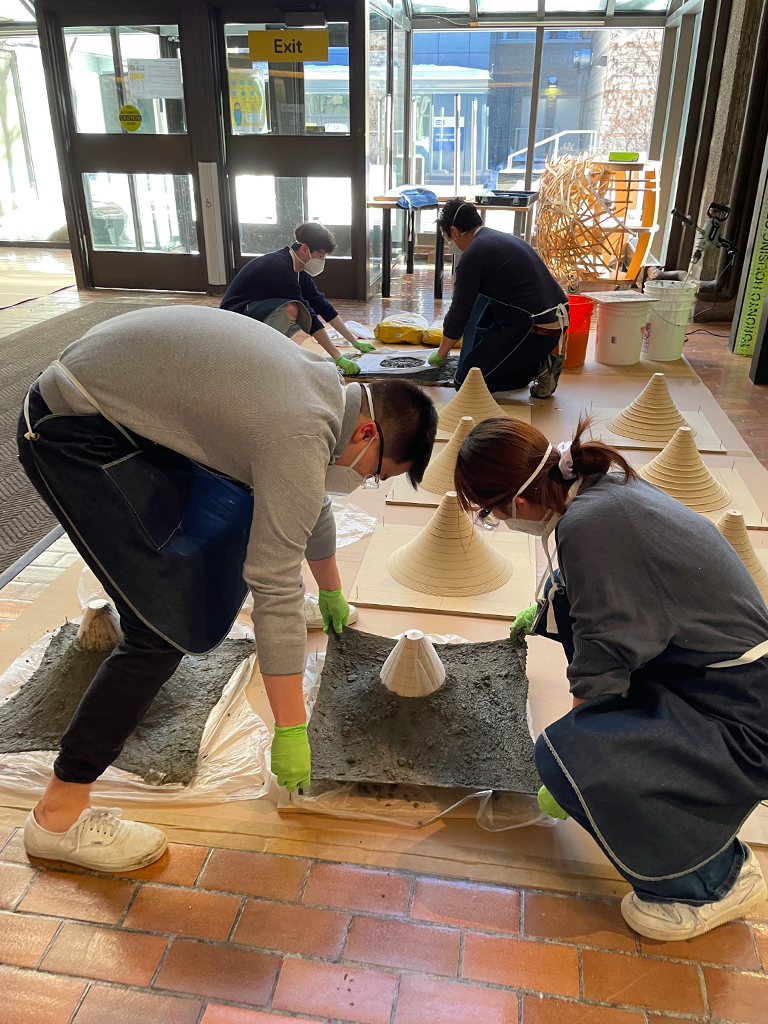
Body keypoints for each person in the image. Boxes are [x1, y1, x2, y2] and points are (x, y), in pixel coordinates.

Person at [17, 305, 437, 872]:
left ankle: (134, 590)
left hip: (114, 401)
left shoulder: (324, 390)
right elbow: (274, 585)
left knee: (230, 524)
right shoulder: (298, 428)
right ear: (367, 434)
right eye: (374, 472)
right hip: (72, 428)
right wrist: (291, 728)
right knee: (158, 631)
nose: (361, 481)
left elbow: (304, 498)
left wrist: (332, 591)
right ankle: (58, 815)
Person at [454, 416, 768, 941]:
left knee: (570, 756)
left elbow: (604, 653)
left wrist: (581, 758)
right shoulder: (600, 488)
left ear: (520, 503)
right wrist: (544, 613)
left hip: (743, 710)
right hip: (715, 669)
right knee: (560, 605)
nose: (498, 521)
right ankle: (700, 824)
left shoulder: (587, 525)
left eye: (491, 513)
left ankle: (716, 881)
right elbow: (593, 595)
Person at [428, 199, 569, 398]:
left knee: (465, 384)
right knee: (478, 300)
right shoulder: (494, 238)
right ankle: (514, 360)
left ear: (455, 231)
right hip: (549, 316)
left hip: (538, 328)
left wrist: (441, 354)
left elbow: (458, 315)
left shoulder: (473, 256)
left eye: (448, 239)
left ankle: (538, 366)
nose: (451, 245)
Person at [220, 221, 373, 375]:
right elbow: (309, 316)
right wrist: (338, 357)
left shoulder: (299, 270)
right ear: (305, 248)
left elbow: (321, 305)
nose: (322, 260)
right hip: (235, 318)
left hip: (254, 311)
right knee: (294, 309)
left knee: (301, 311)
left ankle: (273, 351)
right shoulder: (280, 267)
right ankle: (260, 357)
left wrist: (354, 341)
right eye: (320, 255)